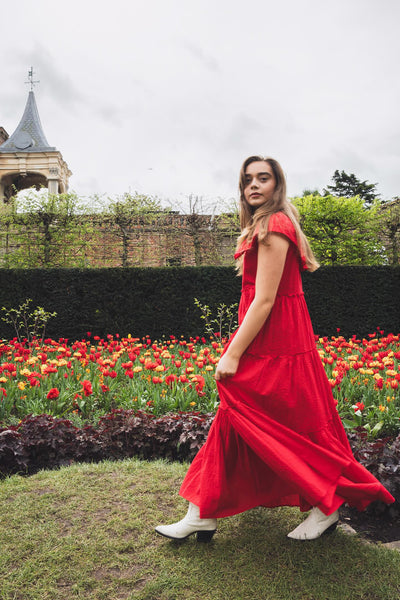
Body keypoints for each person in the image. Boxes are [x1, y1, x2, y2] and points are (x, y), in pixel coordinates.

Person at [155, 156, 395, 542]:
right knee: (241, 419)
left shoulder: (273, 225)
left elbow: (264, 301)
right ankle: (202, 510)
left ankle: (325, 506)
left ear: (277, 184)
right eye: (247, 179)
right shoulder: (269, 224)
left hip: (276, 344)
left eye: (262, 178)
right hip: (277, 340)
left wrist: (232, 352)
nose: (254, 185)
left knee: (277, 422)